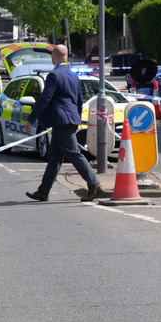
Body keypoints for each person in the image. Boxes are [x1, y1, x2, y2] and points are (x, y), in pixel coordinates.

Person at [24, 44, 104, 203]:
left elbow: (45, 99)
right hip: (71, 119)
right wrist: (76, 118)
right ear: (66, 57)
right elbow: (79, 100)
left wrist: (31, 119)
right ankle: (43, 191)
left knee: (74, 154)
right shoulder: (73, 75)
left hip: (61, 121)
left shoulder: (54, 75)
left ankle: (95, 184)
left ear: (54, 57)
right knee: (54, 157)